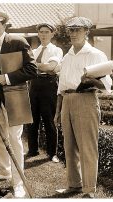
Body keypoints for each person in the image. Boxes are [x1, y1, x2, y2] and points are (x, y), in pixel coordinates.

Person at [54, 17, 112, 198]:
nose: (73, 33)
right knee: (69, 146)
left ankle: (89, 190)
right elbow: (61, 87)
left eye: (77, 30)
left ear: (87, 32)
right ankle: (74, 185)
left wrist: (90, 79)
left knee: (87, 147)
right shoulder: (67, 55)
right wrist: (58, 111)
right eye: (71, 30)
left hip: (86, 100)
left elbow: (105, 86)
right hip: (67, 101)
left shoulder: (95, 54)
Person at [0, 11, 37, 197]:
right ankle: (5, 170)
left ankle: (18, 181)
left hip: (15, 98)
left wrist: (8, 78)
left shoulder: (18, 41)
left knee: (14, 139)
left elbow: (31, 69)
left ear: (4, 25)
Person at [27, 23, 63, 163]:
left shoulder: (56, 50)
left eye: (46, 32)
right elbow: (31, 69)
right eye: (41, 32)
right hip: (34, 84)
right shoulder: (34, 51)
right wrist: (44, 67)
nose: (43, 34)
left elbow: (51, 67)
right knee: (32, 119)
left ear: (52, 34)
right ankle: (32, 150)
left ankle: (52, 153)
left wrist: (36, 66)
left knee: (49, 120)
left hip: (49, 85)